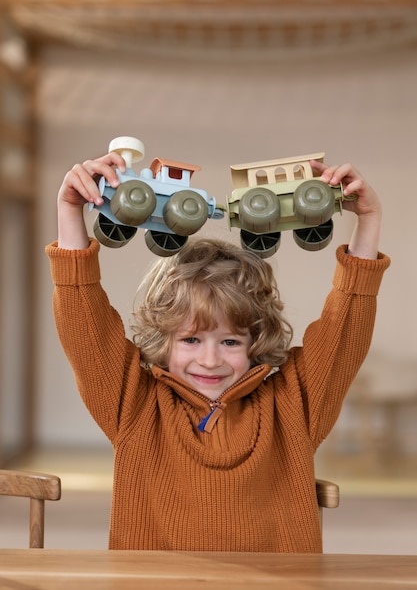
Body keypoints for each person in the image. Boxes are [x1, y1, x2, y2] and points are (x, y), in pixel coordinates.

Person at [46, 152, 390, 552]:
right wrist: (70, 210)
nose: (209, 360)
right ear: (164, 338)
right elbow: (83, 320)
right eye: (191, 339)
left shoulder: (294, 404)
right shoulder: (134, 405)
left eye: (230, 342)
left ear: (254, 342)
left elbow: (343, 329)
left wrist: (369, 220)